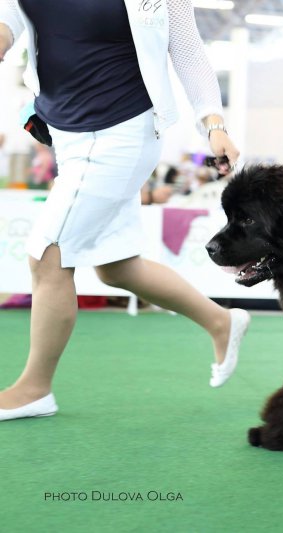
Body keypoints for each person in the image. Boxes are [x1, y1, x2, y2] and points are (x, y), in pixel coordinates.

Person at [0, 0, 249, 421]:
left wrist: (215, 124)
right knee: (115, 266)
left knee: (49, 256)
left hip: (121, 133)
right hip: (65, 132)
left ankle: (34, 389)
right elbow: (9, 19)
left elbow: (188, 54)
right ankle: (221, 321)